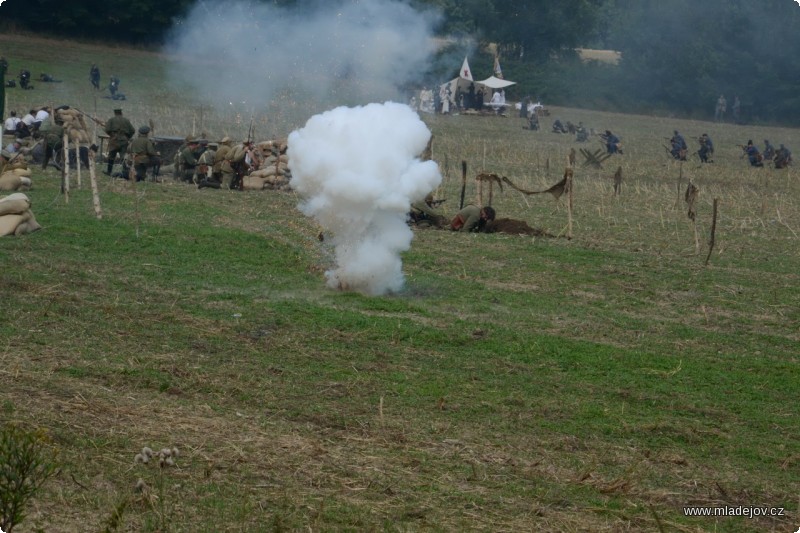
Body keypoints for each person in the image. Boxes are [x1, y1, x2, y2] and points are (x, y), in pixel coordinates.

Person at [103, 108, 135, 176]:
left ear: (115, 113)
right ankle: (125, 172)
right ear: (121, 113)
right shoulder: (126, 120)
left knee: (111, 156)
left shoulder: (111, 120)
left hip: (114, 140)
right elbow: (132, 130)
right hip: (124, 140)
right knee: (123, 157)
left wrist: (112, 135)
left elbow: (107, 129)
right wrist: (127, 137)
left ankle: (109, 171)